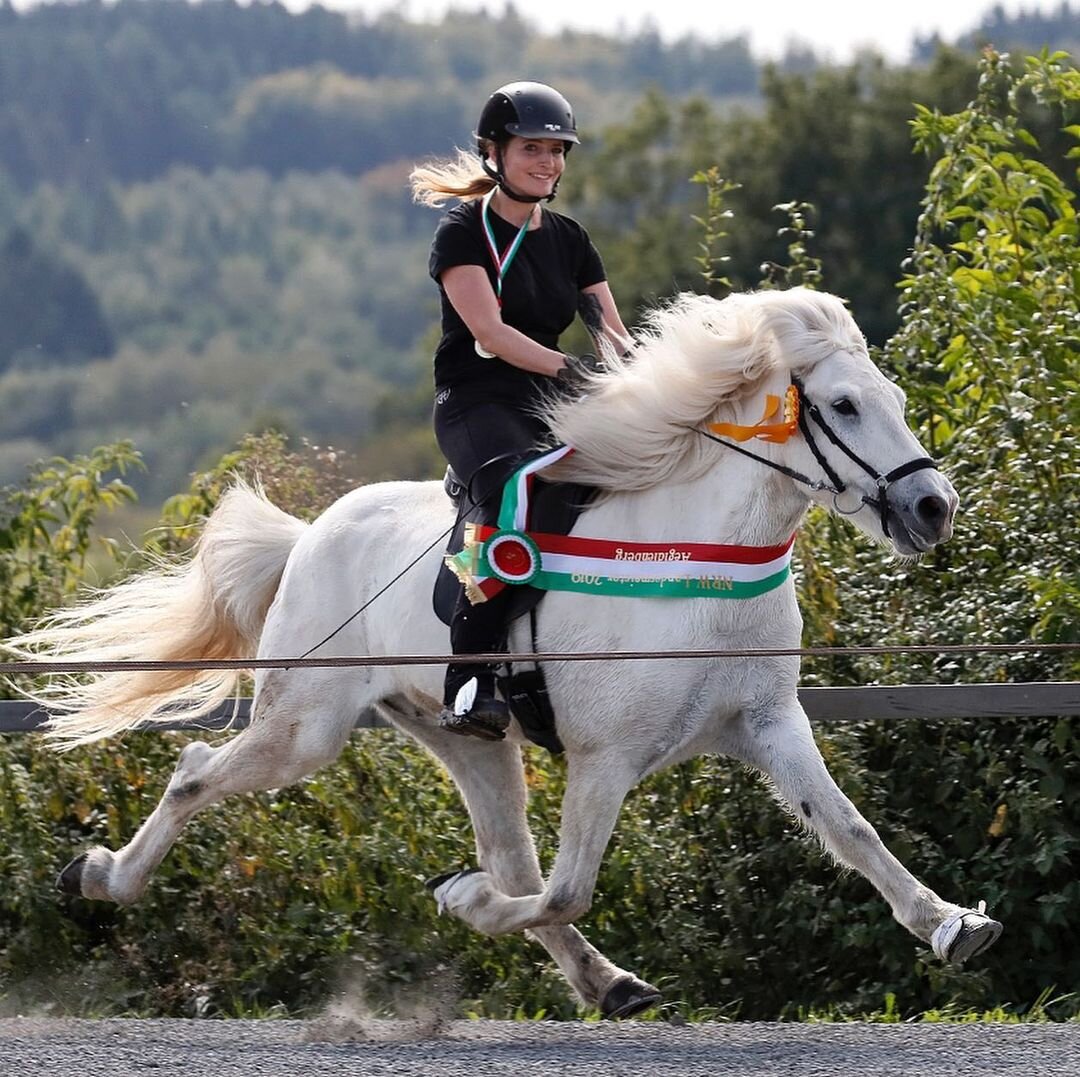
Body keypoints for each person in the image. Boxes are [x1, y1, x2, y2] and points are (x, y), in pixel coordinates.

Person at [410, 80, 632, 741]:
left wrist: (649, 382)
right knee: (514, 491)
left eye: (559, 150)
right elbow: (492, 335)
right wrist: (575, 370)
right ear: (494, 152)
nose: (549, 163)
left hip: (552, 403)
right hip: (477, 403)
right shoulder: (462, 232)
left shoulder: (570, 238)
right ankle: (470, 679)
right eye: (533, 148)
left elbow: (612, 335)